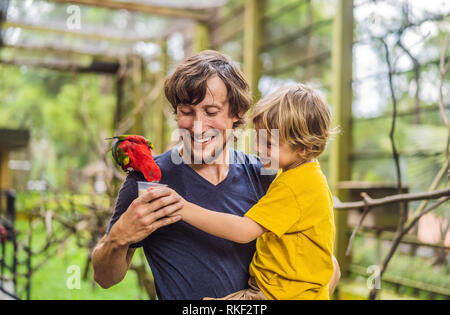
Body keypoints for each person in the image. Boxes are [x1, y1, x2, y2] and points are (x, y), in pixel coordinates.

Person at [92, 50, 340, 299]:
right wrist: (117, 239)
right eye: (186, 111)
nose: (198, 126)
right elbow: (104, 278)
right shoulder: (148, 181)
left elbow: (327, 268)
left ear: (237, 113)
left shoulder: (266, 176)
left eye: (211, 112)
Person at [172, 83, 336, 300]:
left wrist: (181, 207)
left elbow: (244, 231)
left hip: (277, 295)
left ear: (303, 147)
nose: (258, 149)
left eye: (269, 143)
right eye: (258, 138)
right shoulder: (309, 176)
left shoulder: (294, 185)